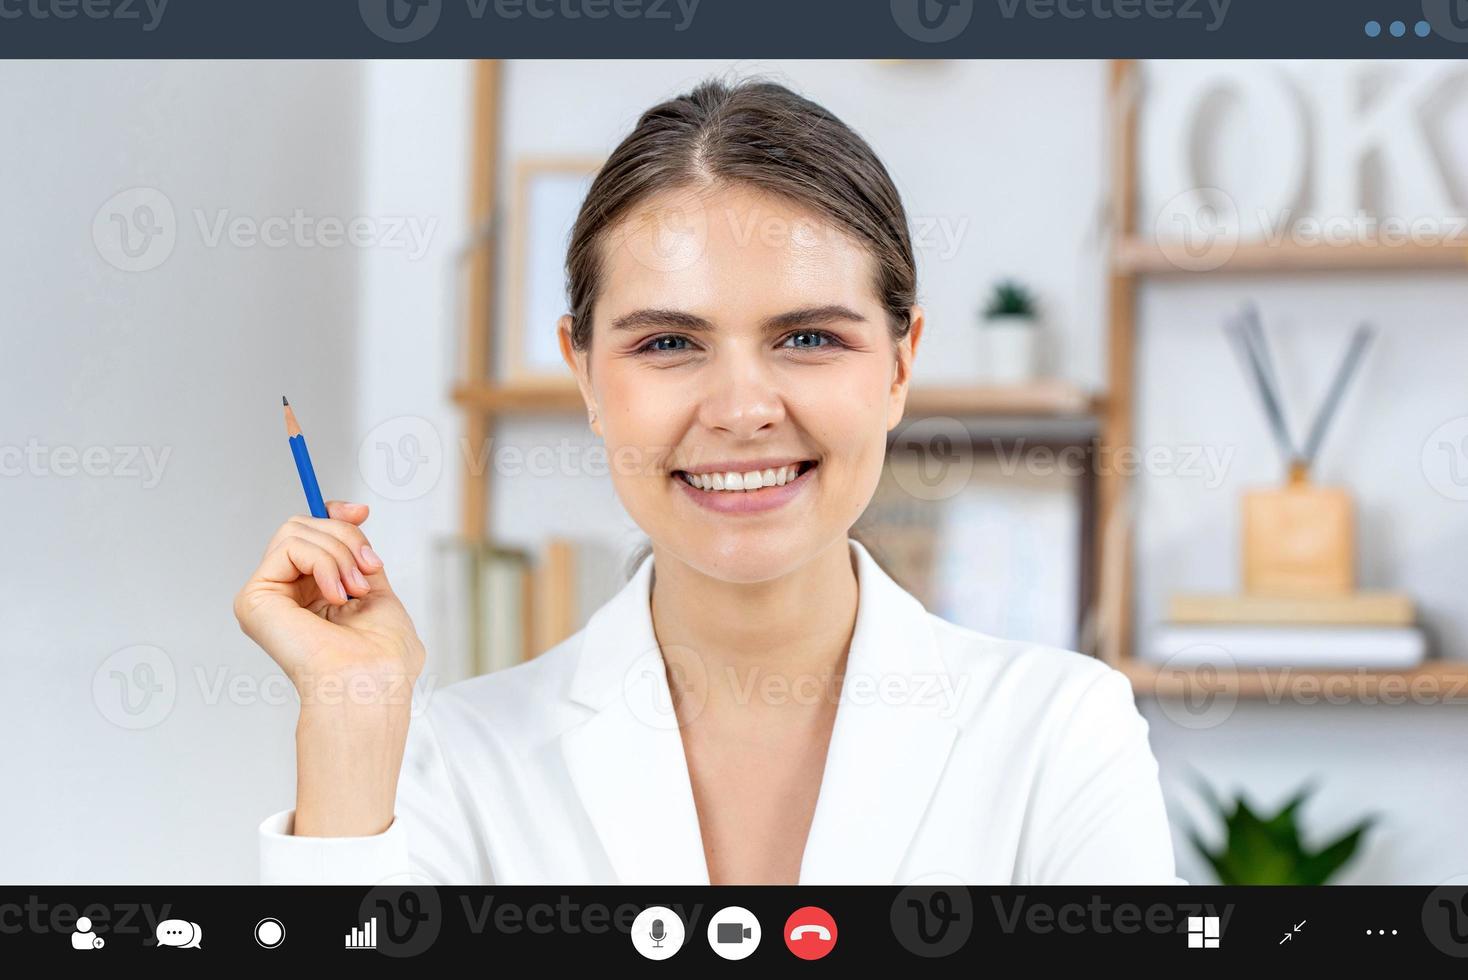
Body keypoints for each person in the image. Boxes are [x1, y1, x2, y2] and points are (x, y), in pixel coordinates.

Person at [235, 77, 1180, 885]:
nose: (740, 408)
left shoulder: (1059, 734)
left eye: (808, 338)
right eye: (668, 343)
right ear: (585, 374)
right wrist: (352, 716)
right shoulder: (457, 758)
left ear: (898, 366)